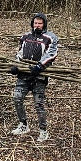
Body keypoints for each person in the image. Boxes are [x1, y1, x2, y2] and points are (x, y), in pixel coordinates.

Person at [10, 13, 59, 142]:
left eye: (40, 23)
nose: (37, 25)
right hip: (24, 75)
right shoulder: (25, 36)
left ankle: (43, 131)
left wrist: (39, 66)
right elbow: (19, 53)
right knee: (17, 98)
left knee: (38, 104)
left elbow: (51, 54)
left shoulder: (50, 37)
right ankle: (23, 125)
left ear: (44, 24)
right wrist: (16, 66)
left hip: (39, 77)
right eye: (35, 23)